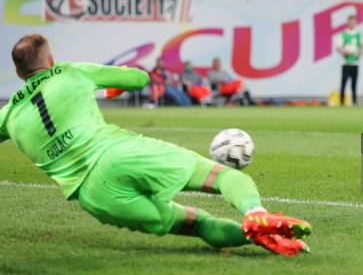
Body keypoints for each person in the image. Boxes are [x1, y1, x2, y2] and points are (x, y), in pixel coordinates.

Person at [0, 35, 311, 256]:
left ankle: (255, 238)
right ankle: (256, 214)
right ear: (51, 61)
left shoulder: (9, 114)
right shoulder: (69, 71)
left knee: (198, 224)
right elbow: (138, 79)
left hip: (96, 196)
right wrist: (116, 84)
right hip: (120, 153)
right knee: (224, 177)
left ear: (18, 72)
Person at [336, 15, 363, 106]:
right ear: (348, 23)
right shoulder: (344, 34)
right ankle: (342, 102)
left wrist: (359, 55)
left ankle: (354, 102)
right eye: (350, 22)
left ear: (355, 23)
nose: (352, 23)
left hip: (355, 63)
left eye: (353, 22)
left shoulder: (358, 34)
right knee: (343, 83)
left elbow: (362, 46)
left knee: (354, 84)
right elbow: (338, 47)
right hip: (346, 63)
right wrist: (344, 52)